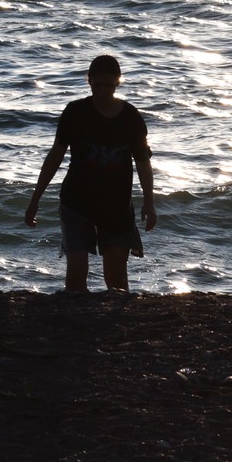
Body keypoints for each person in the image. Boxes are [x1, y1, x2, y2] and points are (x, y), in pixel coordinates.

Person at [25, 54, 157, 294]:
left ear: (118, 83)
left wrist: (149, 201)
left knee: (116, 280)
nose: (103, 91)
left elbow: (143, 162)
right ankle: (74, 326)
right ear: (89, 81)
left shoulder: (130, 117)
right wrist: (35, 199)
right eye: (98, 85)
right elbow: (55, 155)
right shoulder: (75, 112)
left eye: (109, 85)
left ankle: (116, 329)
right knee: (76, 276)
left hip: (117, 206)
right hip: (77, 202)